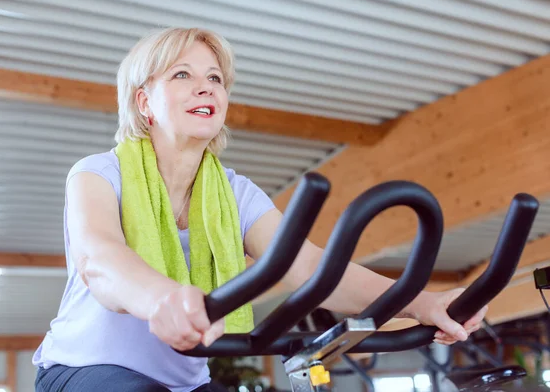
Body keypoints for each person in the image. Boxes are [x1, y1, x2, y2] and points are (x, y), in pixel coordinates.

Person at [32, 27, 487, 392]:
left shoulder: (235, 193)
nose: (205, 87)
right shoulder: (97, 173)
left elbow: (310, 270)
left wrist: (423, 304)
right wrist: (160, 299)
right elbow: (100, 259)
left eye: (214, 78)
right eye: (182, 75)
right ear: (143, 101)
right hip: (83, 369)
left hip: (188, 379)